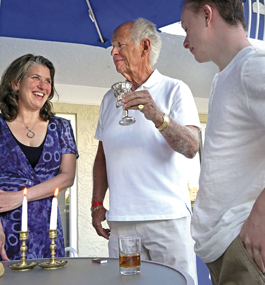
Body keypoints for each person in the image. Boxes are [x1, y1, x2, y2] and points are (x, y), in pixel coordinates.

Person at [92, 18, 200, 283]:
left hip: (167, 221)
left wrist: (157, 116)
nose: (113, 51)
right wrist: (96, 203)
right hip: (122, 225)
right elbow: (102, 157)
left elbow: (191, 147)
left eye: (120, 45)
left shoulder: (175, 89)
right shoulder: (110, 99)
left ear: (144, 46)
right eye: (112, 46)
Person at [181, 1, 265, 284]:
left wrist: (261, 213)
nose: (184, 42)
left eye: (186, 28)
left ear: (207, 14)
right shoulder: (223, 78)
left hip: (242, 243)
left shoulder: (251, 67)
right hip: (224, 248)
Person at [0, 54, 79, 261]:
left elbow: (67, 177)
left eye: (48, 81)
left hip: (49, 229)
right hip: (4, 227)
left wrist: (21, 197)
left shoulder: (61, 127)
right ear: (15, 83)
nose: (43, 86)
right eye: (36, 78)